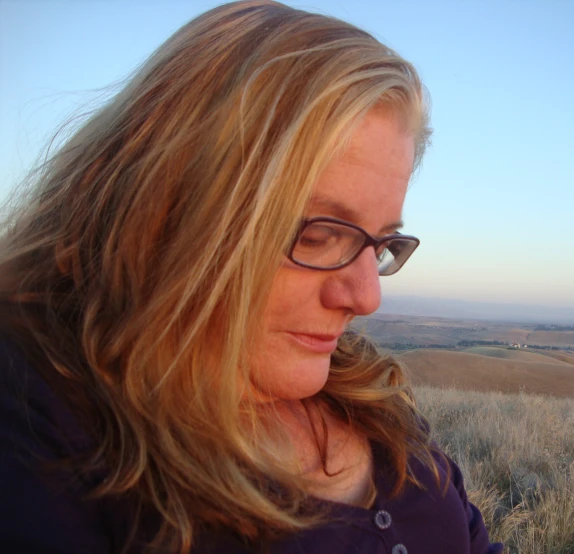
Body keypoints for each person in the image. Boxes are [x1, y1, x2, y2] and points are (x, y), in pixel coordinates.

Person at [0, 2, 504, 553]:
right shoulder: (41, 421)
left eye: (380, 244)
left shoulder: (365, 393)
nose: (366, 297)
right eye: (317, 235)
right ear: (167, 202)